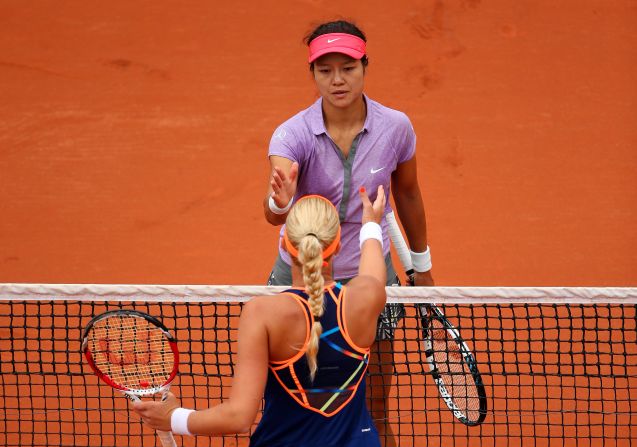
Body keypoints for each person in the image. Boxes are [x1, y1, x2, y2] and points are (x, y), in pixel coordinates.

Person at [263, 19, 434, 445]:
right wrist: (280, 202)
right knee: (284, 403)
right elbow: (273, 214)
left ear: (365, 66)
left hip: (370, 277)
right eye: (325, 70)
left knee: (376, 408)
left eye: (348, 67)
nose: (337, 80)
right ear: (313, 74)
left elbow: (408, 194)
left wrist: (422, 265)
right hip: (300, 275)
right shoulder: (292, 134)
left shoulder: (396, 127)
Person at [133, 187, 388, 446]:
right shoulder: (368, 296)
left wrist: (173, 418)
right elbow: (372, 260)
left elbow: (238, 417)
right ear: (338, 246)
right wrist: (370, 224)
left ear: (285, 245)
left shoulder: (263, 314)